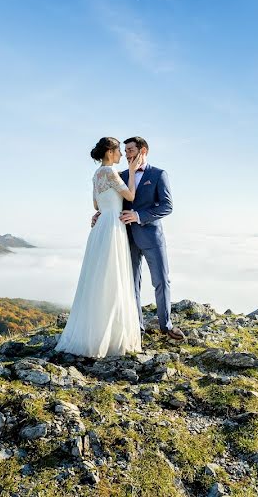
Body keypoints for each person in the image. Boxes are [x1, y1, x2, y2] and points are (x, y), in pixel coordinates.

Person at [54, 137, 144, 357]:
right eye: (118, 152)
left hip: (101, 224)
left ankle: (93, 332)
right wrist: (131, 172)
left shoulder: (96, 175)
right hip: (113, 224)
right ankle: (110, 336)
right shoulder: (111, 173)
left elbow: (96, 204)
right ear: (110, 152)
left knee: (98, 276)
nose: (122, 155)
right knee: (112, 276)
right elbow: (130, 195)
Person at [91, 137, 185, 341]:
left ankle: (165, 325)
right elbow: (113, 201)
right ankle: (137, 327)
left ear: (143, 151)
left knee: (161, 280)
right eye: (124, 151)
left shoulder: (158, 174)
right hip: (126, 237)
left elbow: (167, 206)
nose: (127, 155)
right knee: (131, 284)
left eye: (131, 150)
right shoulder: (121, 175)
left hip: (151, 236)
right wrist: (101, 213)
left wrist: (139, 216)